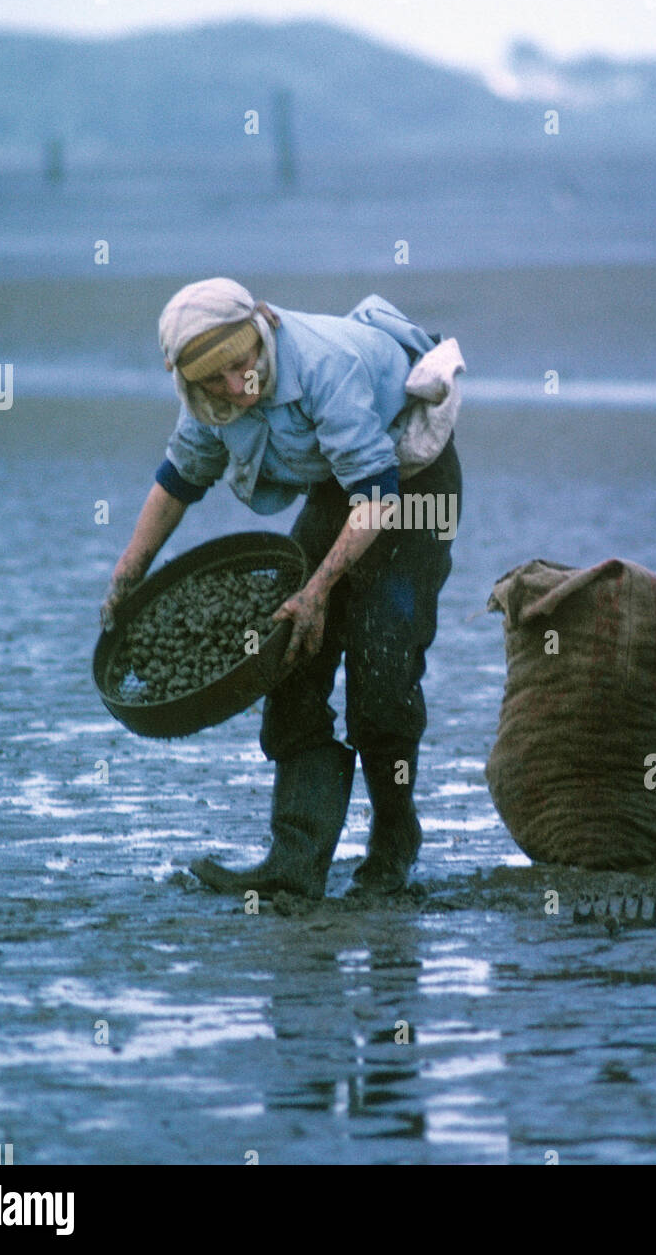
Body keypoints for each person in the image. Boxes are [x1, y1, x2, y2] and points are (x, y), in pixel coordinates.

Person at [101, 277, 463, 899]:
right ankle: (295, 861)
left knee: (381, 672)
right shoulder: (206, 401)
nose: (236, 385)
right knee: (291, 652)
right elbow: (180, 478)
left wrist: (320, 589)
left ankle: (392, 847)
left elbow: (378, 496)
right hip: (339, 484)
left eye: (243, 365)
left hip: (409, 487)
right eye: (214, 379)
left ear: (261, 330)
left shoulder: (326, 364)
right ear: (187, 379)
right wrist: (131, 567)